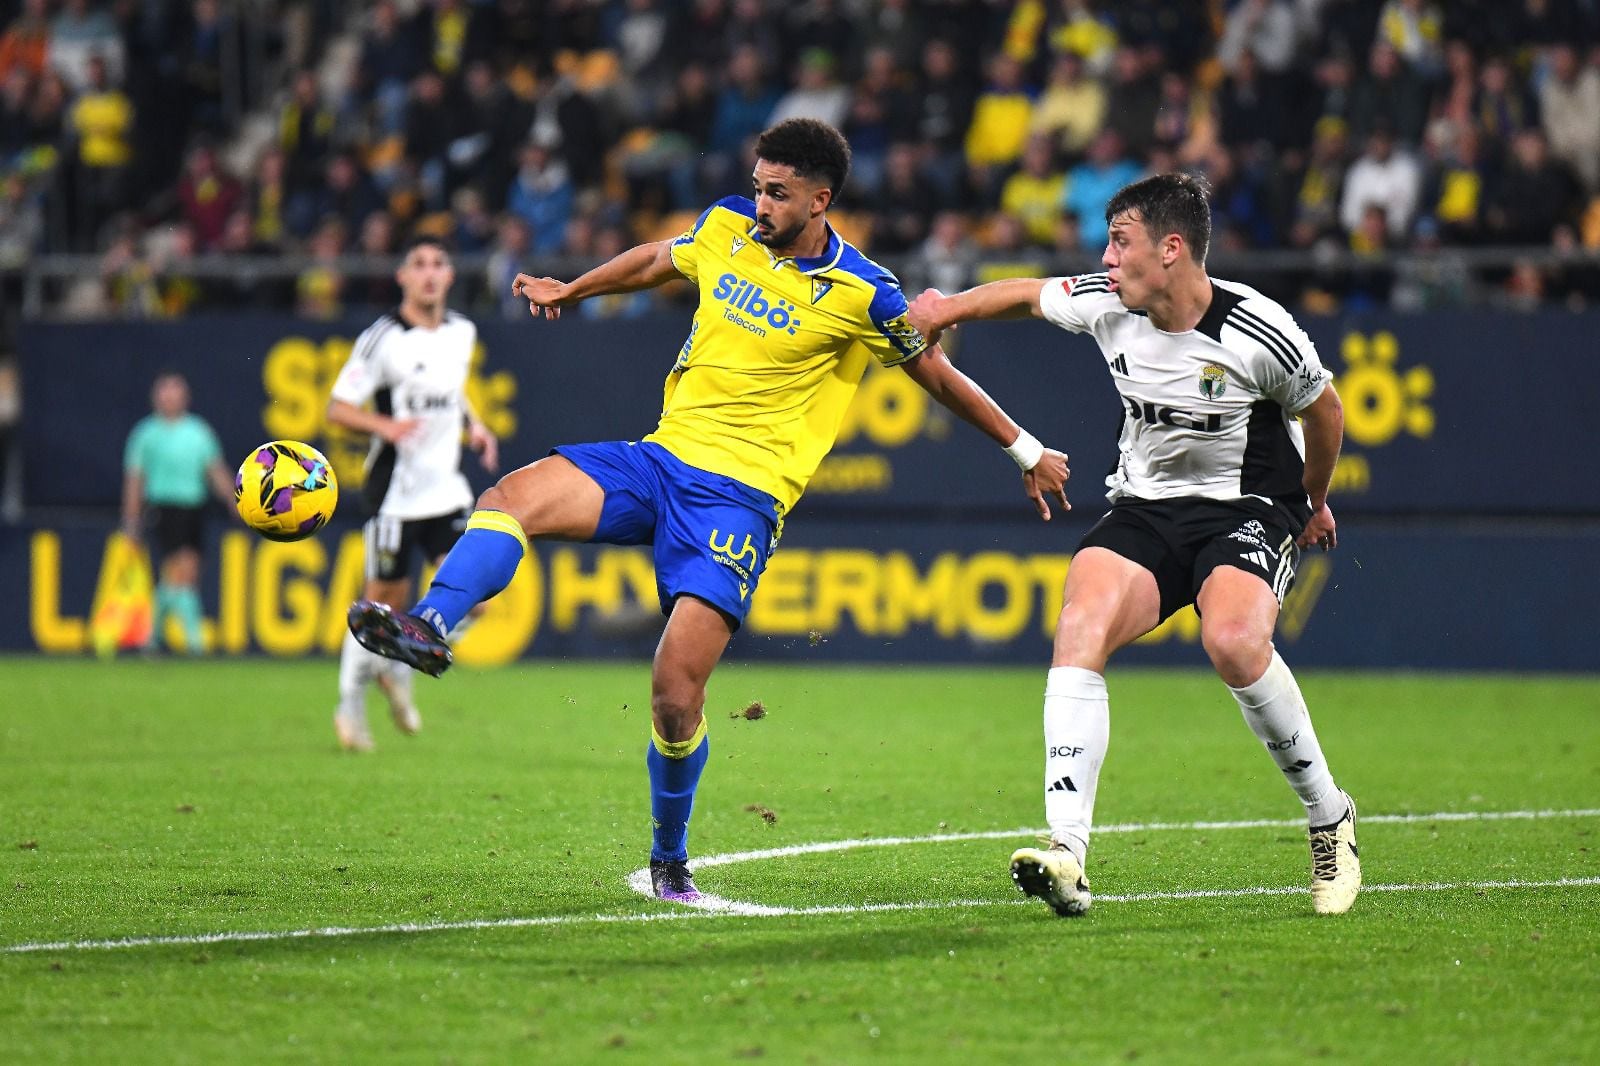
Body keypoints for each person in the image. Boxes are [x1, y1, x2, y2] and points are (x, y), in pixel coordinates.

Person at [348, 118, 1070, 901]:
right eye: (758, 185)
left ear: (821, 199)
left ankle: (669, 860)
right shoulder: (726, 225)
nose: (759, 202)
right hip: (660, 460)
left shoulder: (865, 292)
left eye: (778, 192)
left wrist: (1025, 451)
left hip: (740, 501)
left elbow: (933, 374)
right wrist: (574, 286)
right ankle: (431, 624)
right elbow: (661, 258)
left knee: (672, 689)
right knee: (510, 496)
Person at [905, 173, 1361, 918]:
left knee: (1235, 644)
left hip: (1243, 509)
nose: (1107, 259)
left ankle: (1329, 818)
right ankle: (1067, 854)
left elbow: (1326, 409)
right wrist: (945, 308)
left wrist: (1311, 503)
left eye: (1121, 243)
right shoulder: (1106, 302)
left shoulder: (1259, 331)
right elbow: (1022, 293)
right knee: (1079, 623)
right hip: (1147, 510)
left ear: (1171, 250)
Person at [326, 235, 500, 753]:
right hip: (394, 495)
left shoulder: (462, 332)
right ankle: (350, 703)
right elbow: (338, 408)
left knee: (475, 599)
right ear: (402, 276)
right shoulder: (382, 339)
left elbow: (451, 388)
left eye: (438, 264)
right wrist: (387, 426)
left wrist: (477, 424)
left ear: (449, 276)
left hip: (445, 490)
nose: (429, 273)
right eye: (418, 263)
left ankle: (397, 670)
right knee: (381, 608)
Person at [121, 371, 234, 653]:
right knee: (182, 568)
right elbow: (135, 480)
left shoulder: (198, 432)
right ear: (156, 397)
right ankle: (195, 641)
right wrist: (131, 520)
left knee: (186, 574)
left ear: (185, 398)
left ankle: (153, 636)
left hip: (194, 508)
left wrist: (236, 500)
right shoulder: (146, 434)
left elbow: (216, 471)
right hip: (164, 507)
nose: (170, 397)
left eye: (175, 391)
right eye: (165, 391)